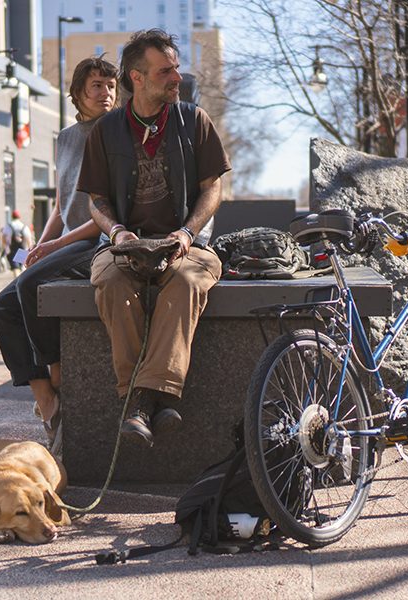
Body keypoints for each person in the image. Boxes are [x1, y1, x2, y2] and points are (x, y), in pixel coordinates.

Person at [77, 29, 231, 447]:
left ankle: (140, 401)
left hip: (188, 246)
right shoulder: (105, 131)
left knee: (184, 283)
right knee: (109, 281)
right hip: (125, 243)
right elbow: (96, 200)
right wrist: (118, 232)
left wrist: (186, 233)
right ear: (137, 77)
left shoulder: (194, 120)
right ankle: (156, 401)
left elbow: (212, 188)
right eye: (166, 71)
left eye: (177, 69)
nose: (176, 78)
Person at [0, 56, 119, 453]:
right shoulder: (65, 137)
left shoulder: (115, 134)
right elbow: (62, 207)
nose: (106, 93)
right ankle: (48, 402)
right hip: (68, 239)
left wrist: (54, 246)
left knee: (32, 285)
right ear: (78, 92)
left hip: (99, 240)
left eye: (111, 86)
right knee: (1, 308)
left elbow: (105, 212)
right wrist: (39, 245)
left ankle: (60, 377)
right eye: (97, 86)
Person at [3, 210, 33, 278]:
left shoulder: (8, 226)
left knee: (15, 268)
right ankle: (20, 281)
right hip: (22, 249)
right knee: (20, 267)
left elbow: (3, 237)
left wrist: (5, 247)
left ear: (12, 217)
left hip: (11, 250)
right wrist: (30, 249)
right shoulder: (24, 226)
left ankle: (17, 282)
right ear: (19, 217)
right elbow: (28, 239)